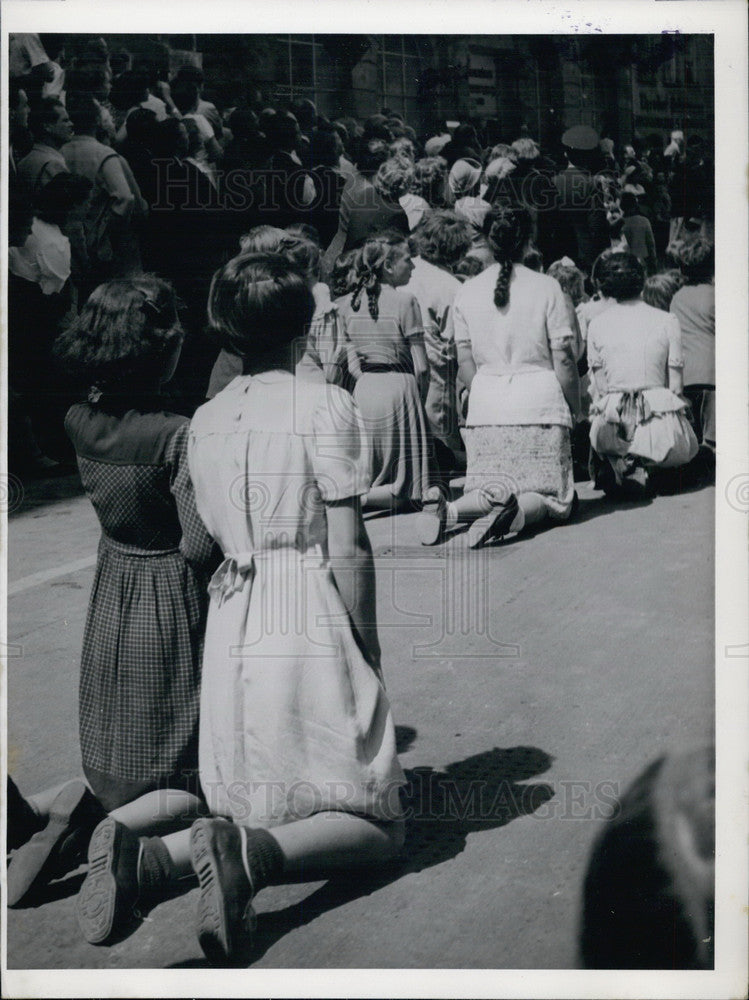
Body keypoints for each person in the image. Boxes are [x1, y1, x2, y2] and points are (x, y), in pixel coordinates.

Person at [74, 254, 406, 964]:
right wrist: (367, 644)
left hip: (233, 610)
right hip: (303, 602)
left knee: (251, 787)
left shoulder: (205, 418)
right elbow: (348, 545)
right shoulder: (323, 403)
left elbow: (205, 535)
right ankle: (251, 859)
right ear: (307, 324)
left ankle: (156, 860)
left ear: (223, 329)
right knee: (377, 819)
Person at [7, 277, 219, 908]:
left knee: (125, 731)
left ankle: (51, 807)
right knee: (191, 766)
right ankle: (98, 828)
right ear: (163, 354)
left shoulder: (75, 421)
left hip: (115, 586)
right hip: (171, 589)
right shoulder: (176, 433)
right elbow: (200, 544)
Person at [418, 204, 581, 549]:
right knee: (553, 497)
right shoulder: (547, 287)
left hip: (487, 404)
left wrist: (481, 394)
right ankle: (515, 512)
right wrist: (574, 407)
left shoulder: (466, 290)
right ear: (528, 241)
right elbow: (564, 357)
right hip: (538, 404)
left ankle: (448, 512)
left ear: (488, 242)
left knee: (487, 488)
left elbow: (465, 362)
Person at [586, 253, 698, 495]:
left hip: (614, 427)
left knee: (603, 424)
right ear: (643, 279)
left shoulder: (596, 324)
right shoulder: (668, 320)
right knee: (679, 441)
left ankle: (621, 464)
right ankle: (654, 465)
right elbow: (676, 387)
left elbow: (601, 390)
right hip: (660, 425)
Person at [337, 230, 431, 510]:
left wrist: (364, 381)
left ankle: (359, 495)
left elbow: (351, 360)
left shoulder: (345, 305)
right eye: (407, 260)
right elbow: (423, 367)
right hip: (400, 388)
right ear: (388, 266)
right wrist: (417, 399)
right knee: (410, 489)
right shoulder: (406, 302)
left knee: (372, 469)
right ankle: (359, 500)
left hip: (364, 390)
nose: (413, 265)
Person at [405, 210, 474, 472]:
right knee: (439, 442)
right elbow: (459, 343)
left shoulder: (408, 270)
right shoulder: (451, 287)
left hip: (407, 364)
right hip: (437, 372)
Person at [669, 238, 715, 459]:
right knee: (713, 436)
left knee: (694, 434)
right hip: (712, 375)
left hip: (687, 375)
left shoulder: (677, 298)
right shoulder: (714, 295)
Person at [15, 97, 73, 193]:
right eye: (65, 121)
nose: (71, 124)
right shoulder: (53, 164)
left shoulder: (26, 159)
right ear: (47, 127)